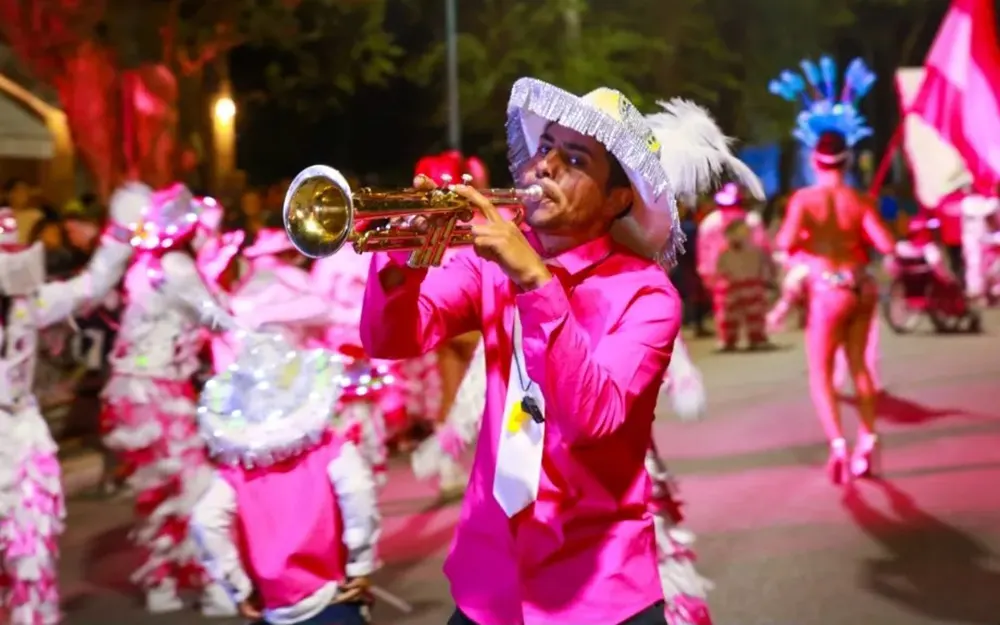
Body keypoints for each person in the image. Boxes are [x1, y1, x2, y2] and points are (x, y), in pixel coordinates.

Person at [359, 78, 759, 625]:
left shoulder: (646, 294)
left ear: (619, 199)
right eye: (545, 147)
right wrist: (402, 263)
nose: (546, 165)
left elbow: (597, 417)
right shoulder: (486, 264)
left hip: (596, 591)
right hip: (488, 584)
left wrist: (534, 280)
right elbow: (390, 340)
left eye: (575, 158)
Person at [0, 189, 140, 624]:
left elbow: (92, 285)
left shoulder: (29, 304)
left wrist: (119, 232)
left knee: (28, 553)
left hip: (20, 439)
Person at [99, 186, 238, 615]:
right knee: (198, 486)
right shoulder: (178, 267)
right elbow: (218, 318)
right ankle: (218, 587)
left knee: (159, 490)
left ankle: (162, 586)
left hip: (130, 390)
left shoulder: (144, 267)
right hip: (158, 390)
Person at [191, 335, 379, 625]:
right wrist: (360, 564)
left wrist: (239, 588)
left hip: (274, 606)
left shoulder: (239, 469)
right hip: (332, 596)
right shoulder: (330, 449)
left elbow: (206, 521)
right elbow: (358, 494)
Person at [770, 56, 896, 484]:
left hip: (826, 291)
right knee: (860, 367)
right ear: (846, 159)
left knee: (822, 374)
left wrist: (807, 246)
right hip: (861, 285)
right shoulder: (859, 201)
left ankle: (839, 446)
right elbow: (885, 245)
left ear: (815, 158)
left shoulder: (804, 201)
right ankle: (870, 438)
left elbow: (784, 244)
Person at [711, 216, 771, 350]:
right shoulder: (724, 251)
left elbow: (761, 265)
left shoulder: (754, 249)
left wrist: (763, 279)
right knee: (728, 316)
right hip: (731, 284)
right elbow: (720, 267)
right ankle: (728, 339)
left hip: (751, 283)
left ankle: (756, 337)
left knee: (754, 314)